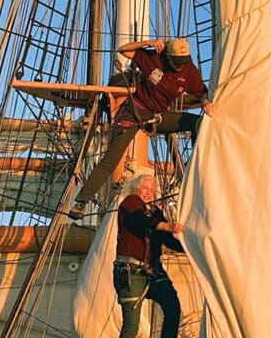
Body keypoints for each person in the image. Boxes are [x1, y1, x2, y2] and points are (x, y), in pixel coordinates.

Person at [72, 37, 213, 212]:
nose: (179, 66)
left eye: (183, 62)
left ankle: (193, 175)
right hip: (133, 112)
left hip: (156, 117)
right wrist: (148, 43)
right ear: (167, 57)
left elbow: (202, 93)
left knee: (196, 123)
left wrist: (206, 102)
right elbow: (124, 49)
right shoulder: (153, 58)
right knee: (111, 159)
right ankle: (81, 202)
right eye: (176, 62)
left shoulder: (189, 72)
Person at [111, 174, 192, 338]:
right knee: (131, 327)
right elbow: (139, 222)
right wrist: (167, 225)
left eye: (152, 188)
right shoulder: (131, 203)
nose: (148, 191)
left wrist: (189, 243)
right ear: (136, 188)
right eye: (145, 187)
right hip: (131, 271)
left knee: (173, 307)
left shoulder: (155, 212)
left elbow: (166, 240)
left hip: (153, 270)